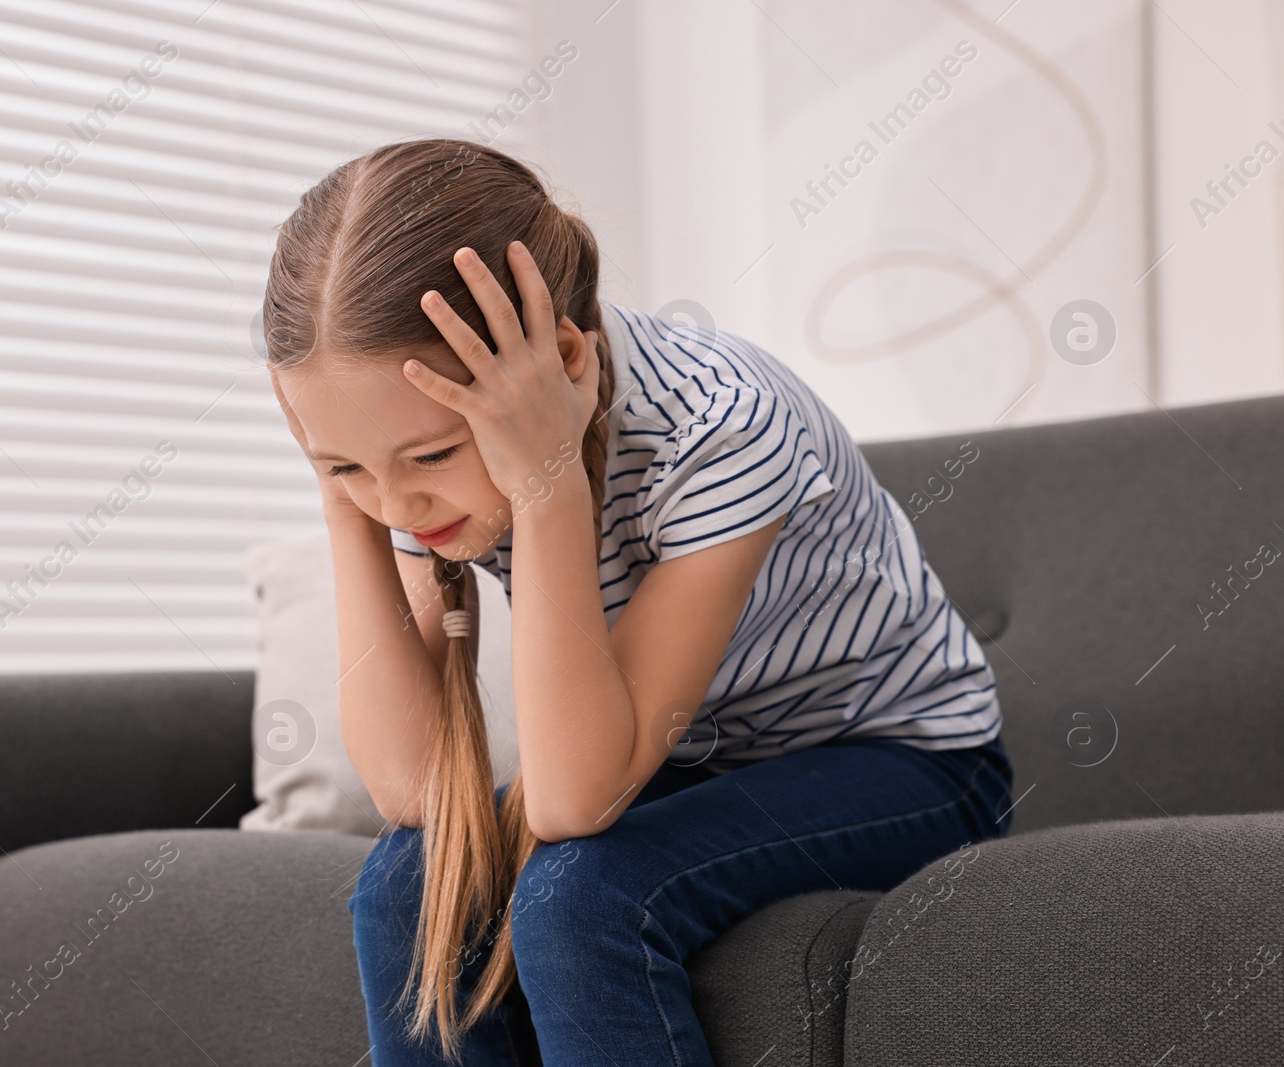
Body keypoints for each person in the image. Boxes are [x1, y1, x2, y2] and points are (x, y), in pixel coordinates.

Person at [261, 137, 1013, 1067]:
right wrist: (340, 493)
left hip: (904, 759)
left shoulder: (723, 427)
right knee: (405, 888)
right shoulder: (406, 472)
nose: (399, 506)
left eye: (428, 458)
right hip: (690, 753)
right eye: (350, 465)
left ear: (559, 362)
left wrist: (545, 484)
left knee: (580, 894)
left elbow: (576, 797)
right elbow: (411, 784)